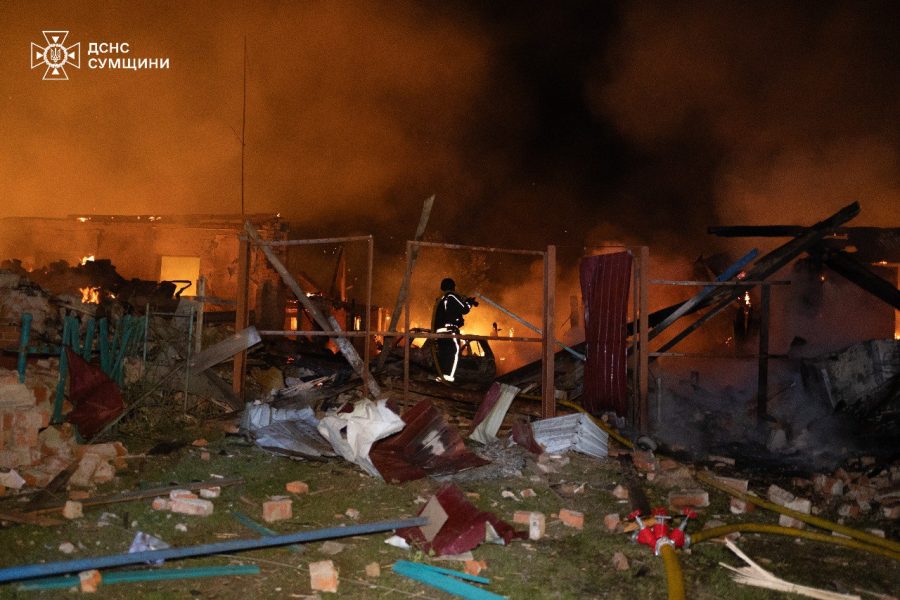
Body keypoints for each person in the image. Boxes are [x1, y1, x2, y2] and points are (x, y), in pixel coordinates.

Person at [432, 277, 477, 382]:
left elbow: (448, 313)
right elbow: (464, 309)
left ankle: (442, 376)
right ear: (452, 286)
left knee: (444, 354)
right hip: (450, 331)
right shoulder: (451, 296)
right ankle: (448, 377)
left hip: (440, 332)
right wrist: (469, 303)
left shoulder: (440, 299)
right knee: (454, 352)